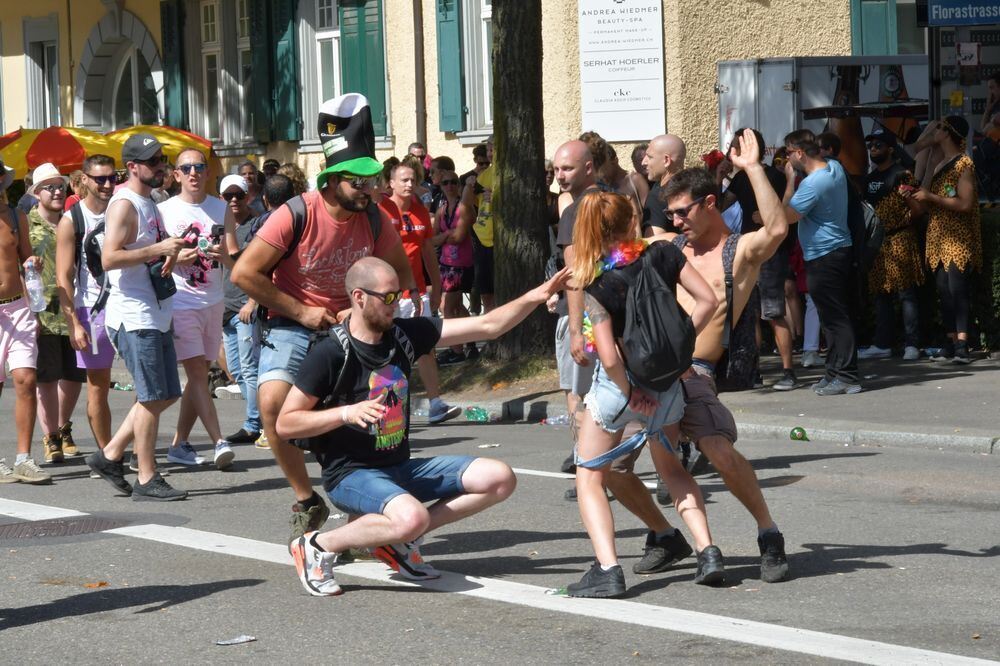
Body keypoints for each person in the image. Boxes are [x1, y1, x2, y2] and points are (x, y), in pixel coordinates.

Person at [280, 256, 570, 596]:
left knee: (498, 478)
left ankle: (395, 541)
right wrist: (346, 413)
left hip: (399, 468)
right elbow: (286, 423)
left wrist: (536, 296)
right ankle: (317, 544)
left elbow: (489, 325)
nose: (396, 304)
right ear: (359, 297)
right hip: (350, 475)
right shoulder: (330, 352)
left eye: (398, 294)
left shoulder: (405, 335)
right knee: (411, 518)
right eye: (388, 297)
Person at [231, 93, 417, 544]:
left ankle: (363, 512)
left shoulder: (374, 219)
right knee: (273, 406)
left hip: (351, 329)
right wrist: (301, 310)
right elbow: (243, 273)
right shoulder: (293, 214)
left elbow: (404, 274)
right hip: (294, 323)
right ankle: (306, 498)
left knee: (363, 420)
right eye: (359, 182)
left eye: (373, 182)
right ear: (331, 181)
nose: (369, 190)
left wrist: (363, 309)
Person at [558, 191, 720, 598]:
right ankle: (708, 551)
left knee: (590, 475)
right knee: (673, 470)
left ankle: (608, 569)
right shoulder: (664, 252)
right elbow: (708, 300)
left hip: (621, 388)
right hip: (669, 383)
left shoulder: (597, 280)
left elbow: (609, 355)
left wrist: (632, 393)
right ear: (632, 221)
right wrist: (679, 347)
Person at [655, 129, 792, 583]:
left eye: (682, 212)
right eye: (669, 214)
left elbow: (776, 229)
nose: (675, 222)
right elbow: (610, 253)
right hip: (652, 374)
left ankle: (768, 533)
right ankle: (664, 534)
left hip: (696, 370)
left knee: (717, 448)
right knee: (604, 466)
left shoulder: (738, 251)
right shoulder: (668, 249)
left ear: (710, 203)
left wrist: (753, 168)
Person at [86, 133, 189, 501]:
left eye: (162, 158)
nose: (161, 165)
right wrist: (158, 248)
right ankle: (147, 478)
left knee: (166, 394)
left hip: (155, 311)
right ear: (131, 167)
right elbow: (110, 257)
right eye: (153, 161)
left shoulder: (151, 202)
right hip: (134, 315)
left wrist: (174, 255)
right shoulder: (123, 204)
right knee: (151, 396)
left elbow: (143, 254)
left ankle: (110, 454)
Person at [158, 149, 237, 470]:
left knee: (199, 376)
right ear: (176, 175)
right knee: (196, 373)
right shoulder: (163, 211)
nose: (193, 173)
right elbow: (152, 259)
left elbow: (235, 260)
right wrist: (177, 258)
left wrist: (223, 256)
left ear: (207, 173)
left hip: (213, 301)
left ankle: (178, 444)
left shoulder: (220, 208)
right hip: (181, 302)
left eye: (199, 167)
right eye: (186, 168)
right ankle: (220, 441)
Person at [378, 162, 460, 424]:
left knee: (425, 347)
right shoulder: (380, 210)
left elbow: (427, 252)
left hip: (417, 293)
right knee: (386, 351)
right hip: (387, 294)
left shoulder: (420, 211)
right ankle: (386, 406)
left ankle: (436, 402)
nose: (409, 184)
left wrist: (436, 288)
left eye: (413, 179)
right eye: (403, 180)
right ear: (390, 183)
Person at [782, 129, 858, 395]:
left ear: (800, 153)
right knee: (830, 317)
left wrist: (790, 182)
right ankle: (834, 372)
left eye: (788, 153)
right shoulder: (834, 167)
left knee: (836, 317)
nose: (786, 159)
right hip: (832, 252)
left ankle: (847, 376)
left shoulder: (812, 184)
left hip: (825, 255)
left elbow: (787, 216)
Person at [55, 154, 118, 464]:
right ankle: (106, 454)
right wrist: (73, 324)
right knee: (98, 385)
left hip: (130, 305)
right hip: (92, 311)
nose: (108, 184)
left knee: (151, 385)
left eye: (112, 177)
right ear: (85, 181)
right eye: (100, 179)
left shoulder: (124, 208)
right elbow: (63, 278)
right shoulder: (73, 220)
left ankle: (129, 447)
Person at [724, 129, 798, 391]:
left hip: (768, 250)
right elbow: (721, 204)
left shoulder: (773, 176)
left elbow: (784, 208)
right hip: (746, 249)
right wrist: (720, 172)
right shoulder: (740, 179)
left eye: (736, 146)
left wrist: (766, 217)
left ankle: (788, 370)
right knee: (750, 313)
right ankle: (753, 371)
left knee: (773, 312)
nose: (732, 150)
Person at [220, 174, 290, 448]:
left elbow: (264, 267)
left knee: (250, 370)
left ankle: (257, 425)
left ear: (251, 196)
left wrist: (254, 301)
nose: (234, 200)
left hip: (246, 307)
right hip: (225, 307)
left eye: (239, 195)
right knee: (237, 370)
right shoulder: (220, 225)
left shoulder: (259, 225)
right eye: (228, 196)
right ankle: (256, 422)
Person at [26, 163, 86, 463]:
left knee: (75, 376)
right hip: (43, 309)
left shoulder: (72, 221)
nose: (57, 190)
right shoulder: (27, 225)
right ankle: (50, 437)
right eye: (49, 186)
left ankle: (63, 426)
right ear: (37, 193)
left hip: (74, 307)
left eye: (60, 185)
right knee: (47, 378)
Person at [909, 116, 981, 364]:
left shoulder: (964, 164)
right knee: (944, 290)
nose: (933, 130)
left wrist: (932, 197)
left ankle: (963, 344)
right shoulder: (940, 164)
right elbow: (931, 199)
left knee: (957, 288)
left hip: (957, 235)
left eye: (939, 127)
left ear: (947, 132)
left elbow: (965, 203)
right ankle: (951, 341)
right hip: (938, 235)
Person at [551, 140, 601, 488]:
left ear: (588, 167)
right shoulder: (616, 202)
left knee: (577, 394)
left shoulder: (575, 211)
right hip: (616, 311)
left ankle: (585, 463)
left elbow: (575, 275)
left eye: (566, 168)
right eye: (555, 169)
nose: (559, 176)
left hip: (585, 314)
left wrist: (575, 330)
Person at [0, 155, 49, 484]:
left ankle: (24, 458)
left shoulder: (14, 217)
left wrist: (32, 264)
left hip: (18, 307)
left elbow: (26, 256)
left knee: (26, 380)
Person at [858, 128, 924, 361]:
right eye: (871, 145)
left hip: (900, 239)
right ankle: (882, 344)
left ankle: (912, 344)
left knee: (906, 294)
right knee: (880, 295)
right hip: (877, 244)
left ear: (890, 149)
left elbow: (918, 209)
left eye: (878, 145)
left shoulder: (902, 175)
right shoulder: (868, 180)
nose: (873, 149)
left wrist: (903, 222)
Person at [431, 168, 474, 365]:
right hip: (446, 264)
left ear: (458, 185)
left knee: (448, 307)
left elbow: (458, 237)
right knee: (454, 306)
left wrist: (445, 236)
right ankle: (471, 343)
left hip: (461, 264)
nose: (449, 186)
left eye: (453, 182)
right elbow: (433, 239)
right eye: (445, 183)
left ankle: (456, 351)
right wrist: (448, 235)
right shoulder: (441, 210)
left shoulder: (463, 207)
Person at [460, 137, 496, 314]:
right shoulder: (483, 175)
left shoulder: (511, 174)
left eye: (494, 149)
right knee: (486, 292)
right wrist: (468, 187)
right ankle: (492, 336)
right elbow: (466, 204)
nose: (490, 154)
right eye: (489, 150)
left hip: (499, 239)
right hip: (482, 236)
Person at [641, 134, 687, 236]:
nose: (643, 162)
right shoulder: (695, 186)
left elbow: (656, 244)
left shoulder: (657, 197)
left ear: (666, 160)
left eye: (649, 157)